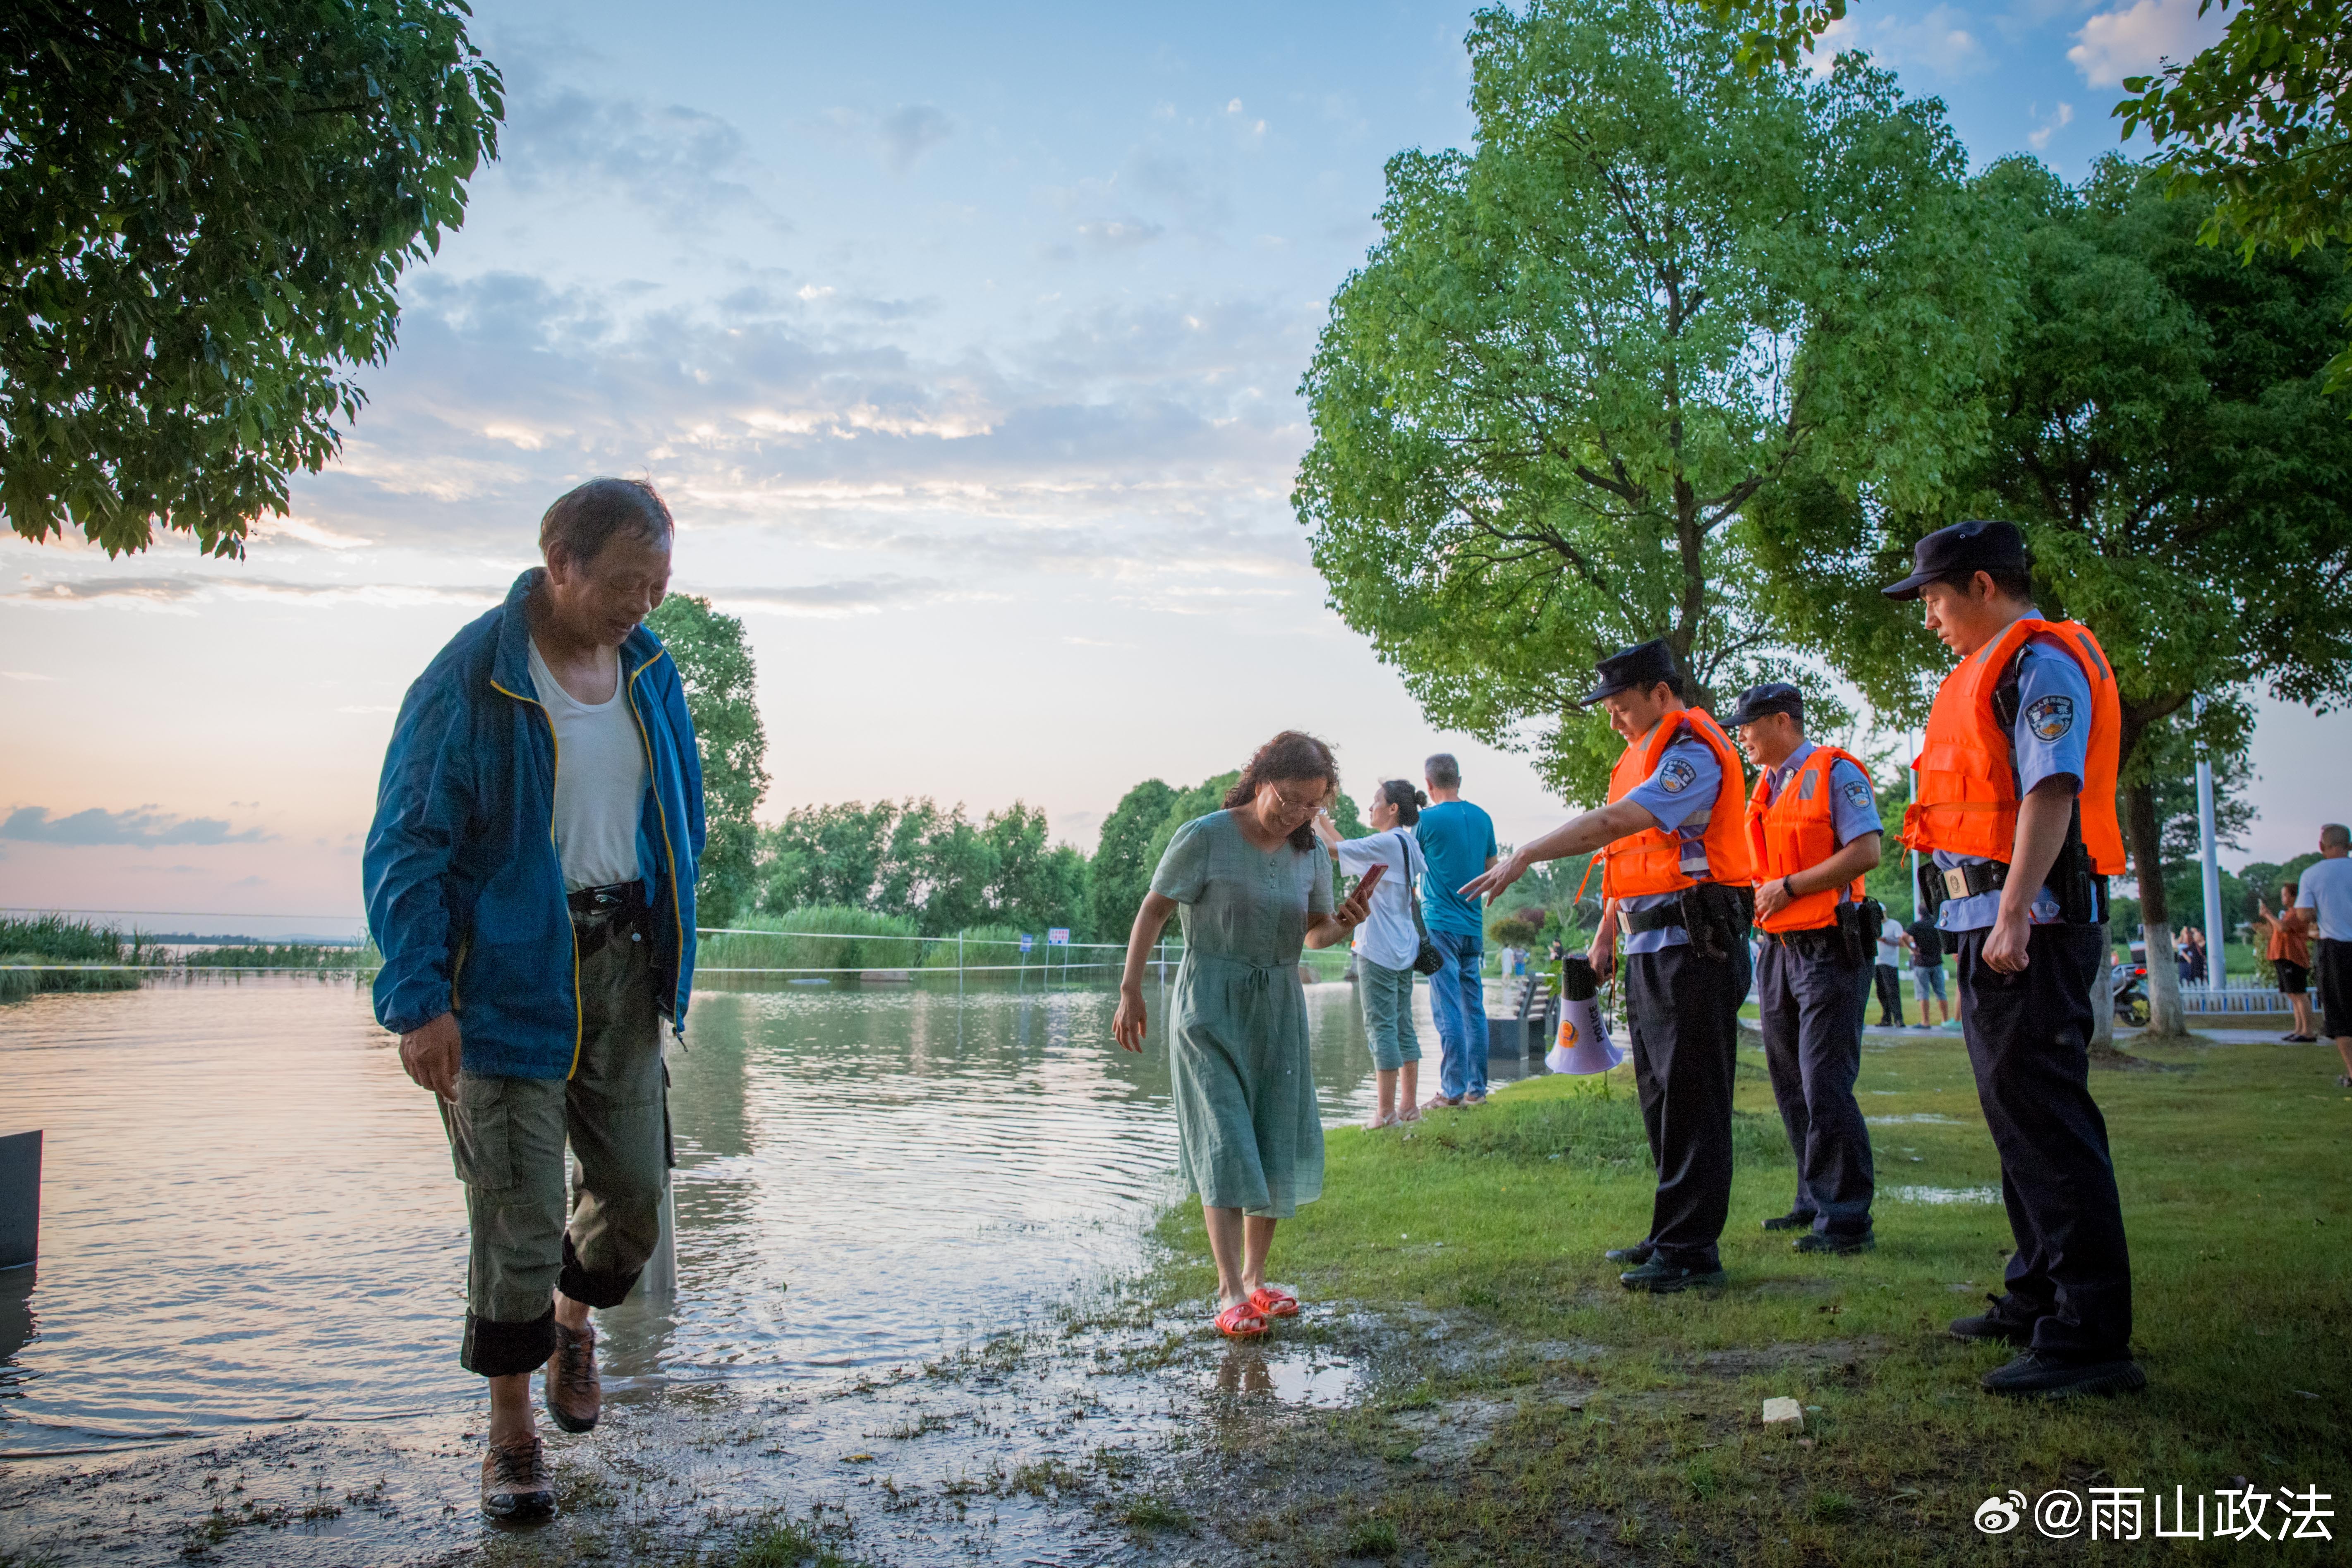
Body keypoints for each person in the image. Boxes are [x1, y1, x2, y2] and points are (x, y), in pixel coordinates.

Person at [364, 478, 706, 1518]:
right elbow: (408, 840)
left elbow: (678, 807)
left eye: (659, 584)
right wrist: (419, 997)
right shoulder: (472, 676)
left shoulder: (651, 666)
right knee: (513, 1215)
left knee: (636, 1199)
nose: (643, 604)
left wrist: (673, 940)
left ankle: (575, 1319)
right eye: (627, 582)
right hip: (505, 979)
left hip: (620, 965)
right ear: (560, 560)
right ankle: (511, 1432)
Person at [1885, 518, 2141, 1399]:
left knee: (2044, 1118)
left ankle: (2087, 1332)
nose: (1928, 618)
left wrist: (2013, 913)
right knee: (2015, 1117)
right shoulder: (1986, 671)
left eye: (1933, 598)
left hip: (2026, 923)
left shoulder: (2040, 666)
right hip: (1987, 920)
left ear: (1982, 585)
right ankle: (2037, 1290)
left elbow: (2050, 788)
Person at [1462, 640, 1754, 1293]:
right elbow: (1630, 857)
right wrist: (1604, 933)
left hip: (1694, 946)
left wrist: (1528, 851)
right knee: (1659, 1095)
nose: (1613, 720)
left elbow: (1621, 821)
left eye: (1621, 706)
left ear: (1659, 693)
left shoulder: (1692, 750)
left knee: (1693, 1098)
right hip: (1650, 946)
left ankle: (1691, 1249)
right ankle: (1668, 1229)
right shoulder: (1635, 758)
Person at [1114, 731, 1377, 1338]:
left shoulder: (1309, 852)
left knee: (1271, 1136)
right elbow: (1154, 908)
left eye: (1311, 805)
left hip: (1279, 1004)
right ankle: (1228, 1288)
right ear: (1261, 777)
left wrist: (1344, 921)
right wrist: (1130, 988)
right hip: (1208, 1001)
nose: (1296, 813)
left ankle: (1258, 1280)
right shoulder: (1205, 835)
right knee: (1226, 1138)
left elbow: (1312, 935)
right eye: (1288, 798)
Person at [1730, 682, 1882, 1254]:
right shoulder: (1765, 787)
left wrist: (1789, 886)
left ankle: (1846, 1220)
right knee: (1790, 1079)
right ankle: (1812, 1198)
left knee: (1824, 1080)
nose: (1740, 736)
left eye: (1746, 725)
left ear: (1780, 721)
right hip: (1779, 948)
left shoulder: (1834, 771)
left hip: (1829, 945)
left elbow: (1865, 850)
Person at [1313, 780, 1432, 1128]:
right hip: (1404, 945)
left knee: (1381, 1027)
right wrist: (1320, 816)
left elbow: (1332, 850)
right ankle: (1408, 1106)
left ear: (1393, 808)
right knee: (1403, 1026)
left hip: (1378, 947)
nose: (1370, 807)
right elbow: (1344, 844)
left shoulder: (1384, 842)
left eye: (1376, 801)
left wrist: (1314, 818)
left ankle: (1385, 1112)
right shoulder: (1406, 842)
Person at [1415, 754, 1498, 1108]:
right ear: (1459, 780)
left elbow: (1407, 861)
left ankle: (1451, 1092)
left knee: (1446, 1005)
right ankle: (1476, 1090)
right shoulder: (1483, 818)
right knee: (1473, 1008)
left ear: (1429, 785)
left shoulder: (1426, 821)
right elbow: (1492, 869)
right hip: (1472, 926)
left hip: (1440, 926)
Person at [2294, 824, 2352, 1085]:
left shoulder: (2312, 875)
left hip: (2335, 949)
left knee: (2340, 1013)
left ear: (2322, 846)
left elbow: (2304, 915)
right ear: (2349, 845)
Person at [2257, 881, 2316, 1043]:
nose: (2282, 897)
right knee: (2292, 994)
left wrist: (2269, 915)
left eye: (2285, 894)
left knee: (2299, 994)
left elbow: (2283, 928)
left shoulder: (2297, 913)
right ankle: (2299, 1029)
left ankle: (2308, 1032)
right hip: (2282, 956)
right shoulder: (2289, 913)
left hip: (2293, 957)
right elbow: (2278, 929)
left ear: (2293, 896)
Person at [1904, 913, 1952, 1028]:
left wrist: (1911, 949)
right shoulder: (1936, 925)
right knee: (1941, 992)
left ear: (1920, 914)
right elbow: (1946, 935)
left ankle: (1926, 1021)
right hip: (1937, 962)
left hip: (1922, 962)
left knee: (1923, 993)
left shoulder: (1917, 926)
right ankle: (1945, 1020)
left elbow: (1903, 936)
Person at [1871, 912, 1906, 1027]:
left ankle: (1899, 1019)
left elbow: (1901, 943)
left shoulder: (1894, 925)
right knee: (1881, 991)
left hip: (1890, 962)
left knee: (1892, 991)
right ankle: (1886, 1018)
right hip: (1877, 961)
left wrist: (1885, 940)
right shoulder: (1874, 925)